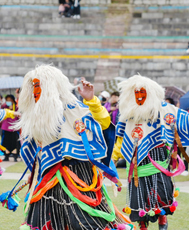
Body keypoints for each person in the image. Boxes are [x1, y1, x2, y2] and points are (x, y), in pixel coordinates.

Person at [14, 65, 132, 230]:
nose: (35, 90)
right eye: (33, 86)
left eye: (38, 85)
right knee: (46, 223)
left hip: (78, 173)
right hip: (48, 175)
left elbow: (104, 124)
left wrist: (91, 101)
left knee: (84, 222)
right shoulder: (35, 115)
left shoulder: (74, 108)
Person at [112, 75, 189, 230]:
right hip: (137, 165)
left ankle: (162, 217)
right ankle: (142, 224)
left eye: (143, 92)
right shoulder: (127, 115)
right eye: (136, 93)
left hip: (158, 159)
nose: (139, 96)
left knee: (161, 194)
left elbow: (184, 120)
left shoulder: (163, 109)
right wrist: (113, 158)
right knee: (139, 198)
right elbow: (121, 141)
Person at [1, 95, 20, 162]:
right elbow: (2, 115)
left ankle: (15, 156)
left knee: (15, 143)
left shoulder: (17, 108)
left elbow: (18, 116)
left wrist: (13, 109)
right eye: (7, 100)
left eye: (10, 100)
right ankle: (6, 156)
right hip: (6, 128)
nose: (8, 101)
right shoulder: (4, 107)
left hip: (14, 128)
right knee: (6, 143)